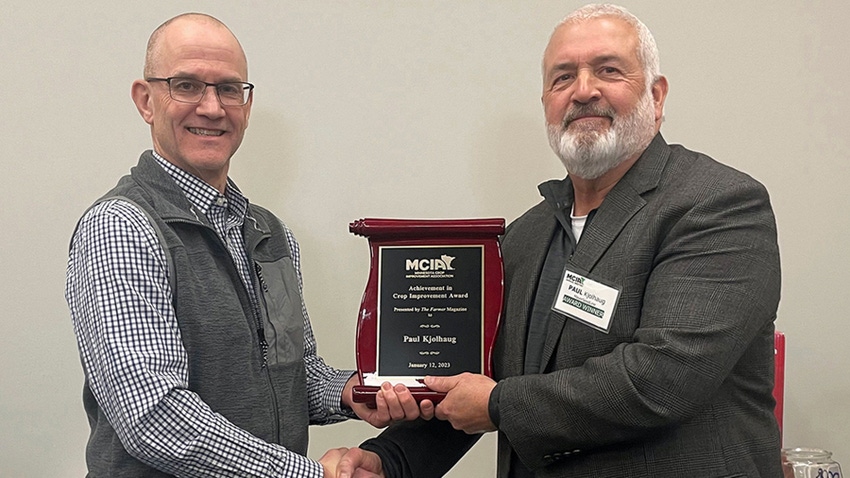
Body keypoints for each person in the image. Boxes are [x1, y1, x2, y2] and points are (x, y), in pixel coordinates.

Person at [336, 4, 782, 477]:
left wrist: (498, 405)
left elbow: (663, 378)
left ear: (656, 96)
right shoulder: (525, 237)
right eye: (562, 78)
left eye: (608, 70)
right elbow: (478, 379)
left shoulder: (717, 205)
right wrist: (390, 460)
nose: (583, 91)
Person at [65, 13, 416, 477]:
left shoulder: (271, 233)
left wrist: (356, 391)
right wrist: (308, 475)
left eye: (229, 89)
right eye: (187, 85)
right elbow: (153, 416)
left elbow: (294, 372)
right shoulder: (122, 227)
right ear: (145, 100)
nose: (212, 107)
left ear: (247, 105)